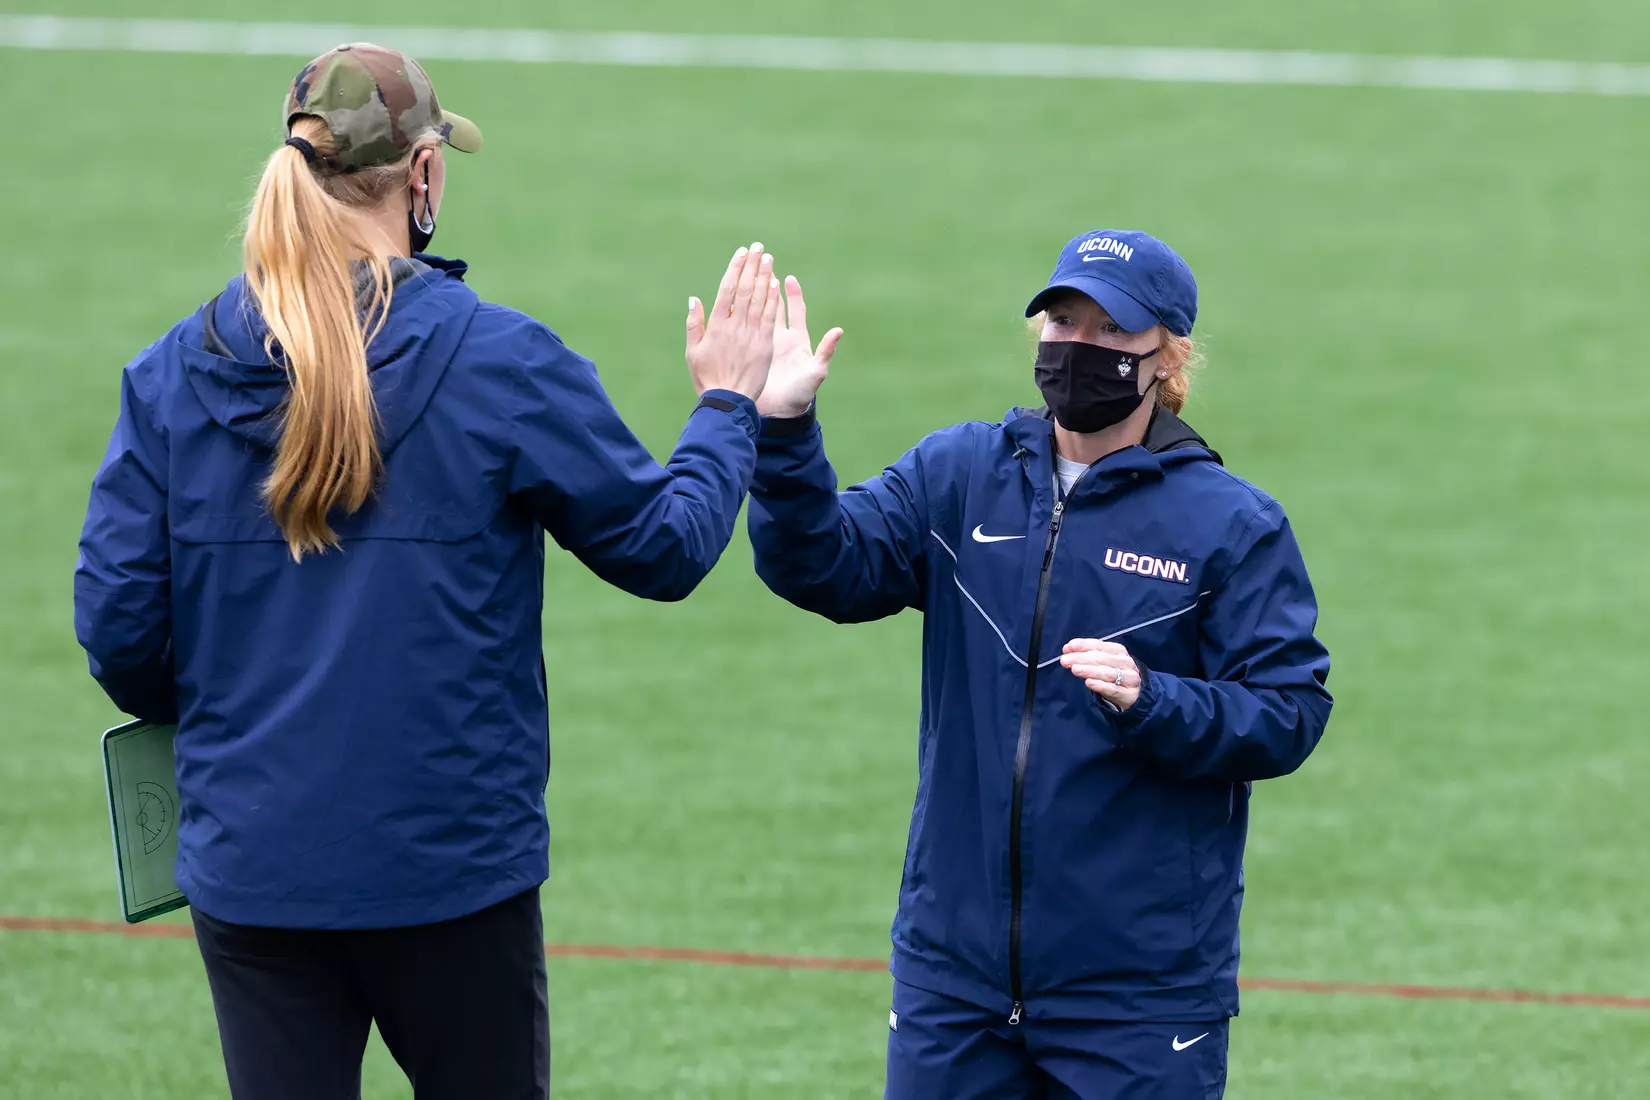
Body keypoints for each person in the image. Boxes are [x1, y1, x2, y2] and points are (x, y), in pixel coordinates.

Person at [73, 43, 782, 1100]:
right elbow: (665, 547)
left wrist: (248, 728)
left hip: (255, 872)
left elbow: (121, 635)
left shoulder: (171, 375)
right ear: (423, 173)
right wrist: (726, 407)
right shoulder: (502, 362)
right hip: (452, 877)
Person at [747, 230, 1333, 1098]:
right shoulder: (957, 476)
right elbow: (821, 565)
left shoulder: (1230, 525)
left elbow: (1288, 712)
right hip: (953, 983)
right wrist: (784, 431)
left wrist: (1154, 700)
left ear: (1168, 355)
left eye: (1110, 330)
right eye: (1063, 322)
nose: (1078, 347)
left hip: (1138, 999)